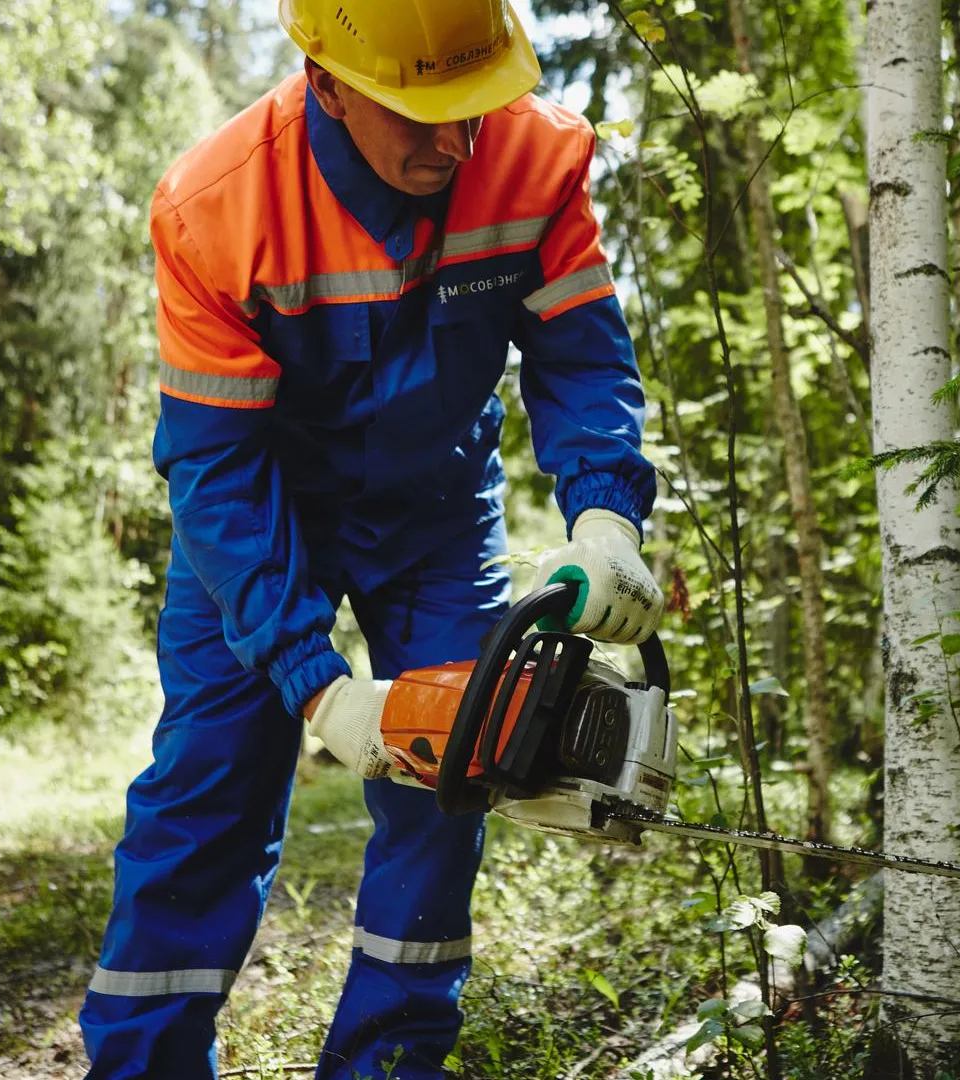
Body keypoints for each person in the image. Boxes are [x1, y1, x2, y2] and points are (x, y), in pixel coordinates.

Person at [77, 0, 662, 1074]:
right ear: (329, 80)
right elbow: (216, 466)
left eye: (472, 104)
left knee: (449, 784)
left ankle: (389, 1064)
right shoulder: (217, 207)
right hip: (260, 518)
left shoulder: (532, 157)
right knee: (206, 787)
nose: (456, 140)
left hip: (438, 517)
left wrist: (604, 513)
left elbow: (580, 358)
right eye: (421, 111)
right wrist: (318, 685)